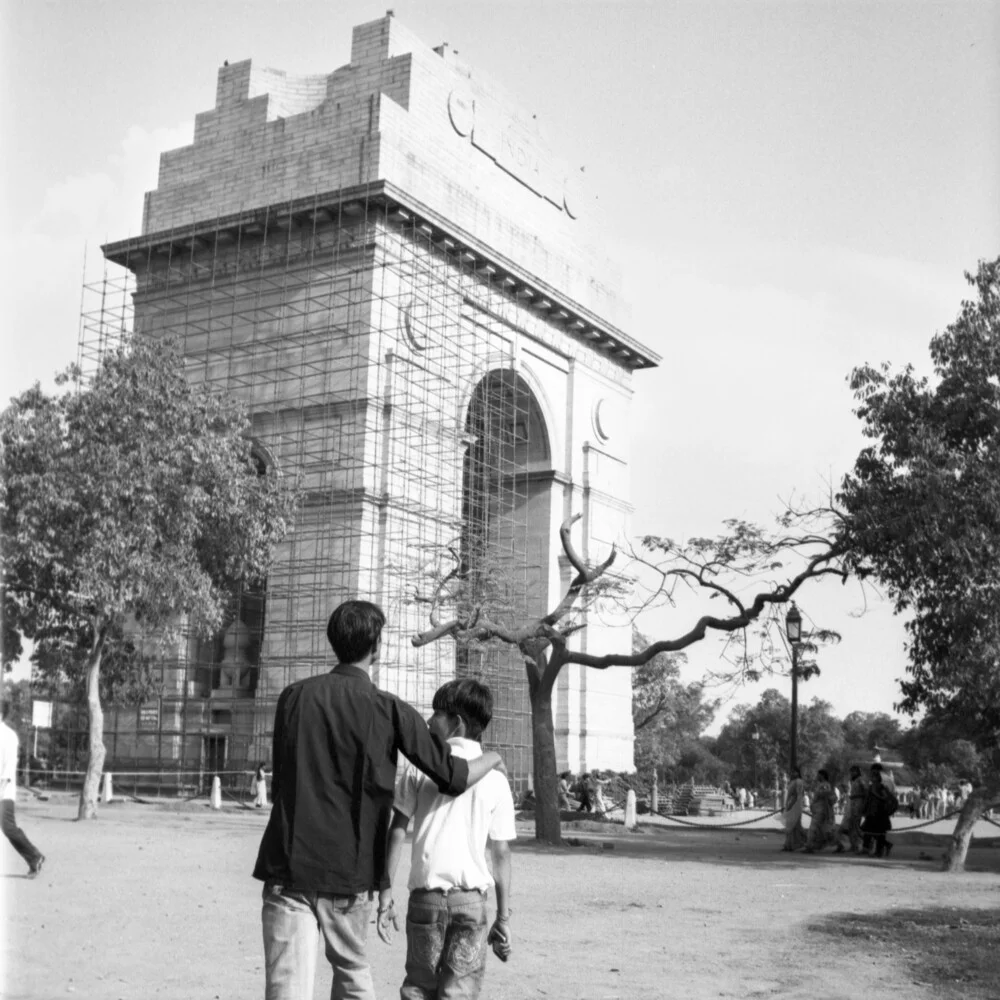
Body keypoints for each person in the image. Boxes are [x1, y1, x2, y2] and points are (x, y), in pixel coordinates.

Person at [252, 600, 506, 1000]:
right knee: (353, 978)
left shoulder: (293, 698)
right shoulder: (390, 710)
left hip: (288, 867)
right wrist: (492, 757)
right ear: (378, 647)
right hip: (347, 874)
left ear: (334, 641)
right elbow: (454, 777)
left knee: (286, 989)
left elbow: (284, 779)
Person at [383, 678, 516, 1000]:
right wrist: (503, 917)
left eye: (436, 714)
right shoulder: (496, 780)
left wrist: (385, 890)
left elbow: (397, 830)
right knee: (459, 993)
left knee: (417, 988)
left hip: (425, 899)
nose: (429, 722)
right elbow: (500, 854)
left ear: (456, 723)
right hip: (471, 901)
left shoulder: (418, 769)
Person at [0, 700, 45, 877]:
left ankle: (34, 856)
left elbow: (8, 768)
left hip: (4, 792)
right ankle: (34, 857)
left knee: (8, 828)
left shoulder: (9, 736)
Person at [861, 764, 898, 858]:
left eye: (874, 775)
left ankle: (879, 851)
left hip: (880, 813)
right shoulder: (871, 786)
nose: (872, 776)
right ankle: (873, 847)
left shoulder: (881, 787)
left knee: (879, 832)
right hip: (872, 812)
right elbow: (868, 799)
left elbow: (885, 797)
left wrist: (876, 794)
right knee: (869, 830)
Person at [835, 765, 867, 854]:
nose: (852, 773)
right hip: (852, 805)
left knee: (856, 826)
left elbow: (865, 792)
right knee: (852, 826)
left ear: (858, 772)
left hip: (858, 804)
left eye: (854, 771)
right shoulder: (853, 781)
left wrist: (857, 797)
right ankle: (854, 845)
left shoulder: (861, 780)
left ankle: (864, 844)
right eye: (851, 771)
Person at [804, 769, 837, 853]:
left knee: (813, 827)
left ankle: (809, 846)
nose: (817, 776)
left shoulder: (825, 785)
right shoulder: (821, 785)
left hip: (821, 809)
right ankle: (837, 844)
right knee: (822, 829)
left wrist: (819, 793)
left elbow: (826, 794)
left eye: (818, 775)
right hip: (817, 809)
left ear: (822, 775)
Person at [781, 766, 807, 852]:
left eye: (794, 772)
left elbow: (799, 794)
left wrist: (796, 805)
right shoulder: (792, 782)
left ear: (798, 773)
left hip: (795, 804)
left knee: (795, 825)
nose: (792, 774)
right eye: (791, 772)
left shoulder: (799, 782)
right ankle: (789, 845)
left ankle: (805, 841)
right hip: (790, 803)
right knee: (790, 825)